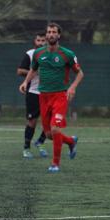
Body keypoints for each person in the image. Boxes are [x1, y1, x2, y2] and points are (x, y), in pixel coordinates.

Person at [19, 23, 84, 173]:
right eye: (49, 32)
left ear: (59, 35)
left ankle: (55, 164)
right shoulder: (38, 53)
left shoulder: (67, 54)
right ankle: (71, 141)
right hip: (43, 97)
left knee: (55, 129)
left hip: (60, 96)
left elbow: (80, 73)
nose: (51, 34)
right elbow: (33, 70)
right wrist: (25, 82)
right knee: (49, 135)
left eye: (54, 32)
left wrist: (72, 87)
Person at [17, 32, 48, 159]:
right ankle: (26, 148)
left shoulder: (52, 54)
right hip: (33, 92)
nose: (41, 43)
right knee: (32, 122)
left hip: (49, 92)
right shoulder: (30, 54)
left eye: (43, 40)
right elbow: (19, 71)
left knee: (51, 122)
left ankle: (40, 142)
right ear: (35, 42)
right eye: (38, 40)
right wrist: (34, 72)